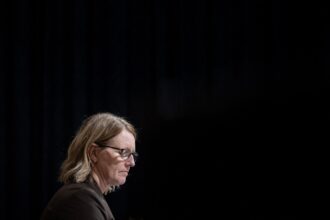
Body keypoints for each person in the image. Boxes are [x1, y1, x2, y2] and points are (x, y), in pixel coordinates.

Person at [41, 112, 138, 220]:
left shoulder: (87, 197)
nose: (132, 163)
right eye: (123, 152)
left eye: (132, 155)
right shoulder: (78, 200)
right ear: (93, 153)